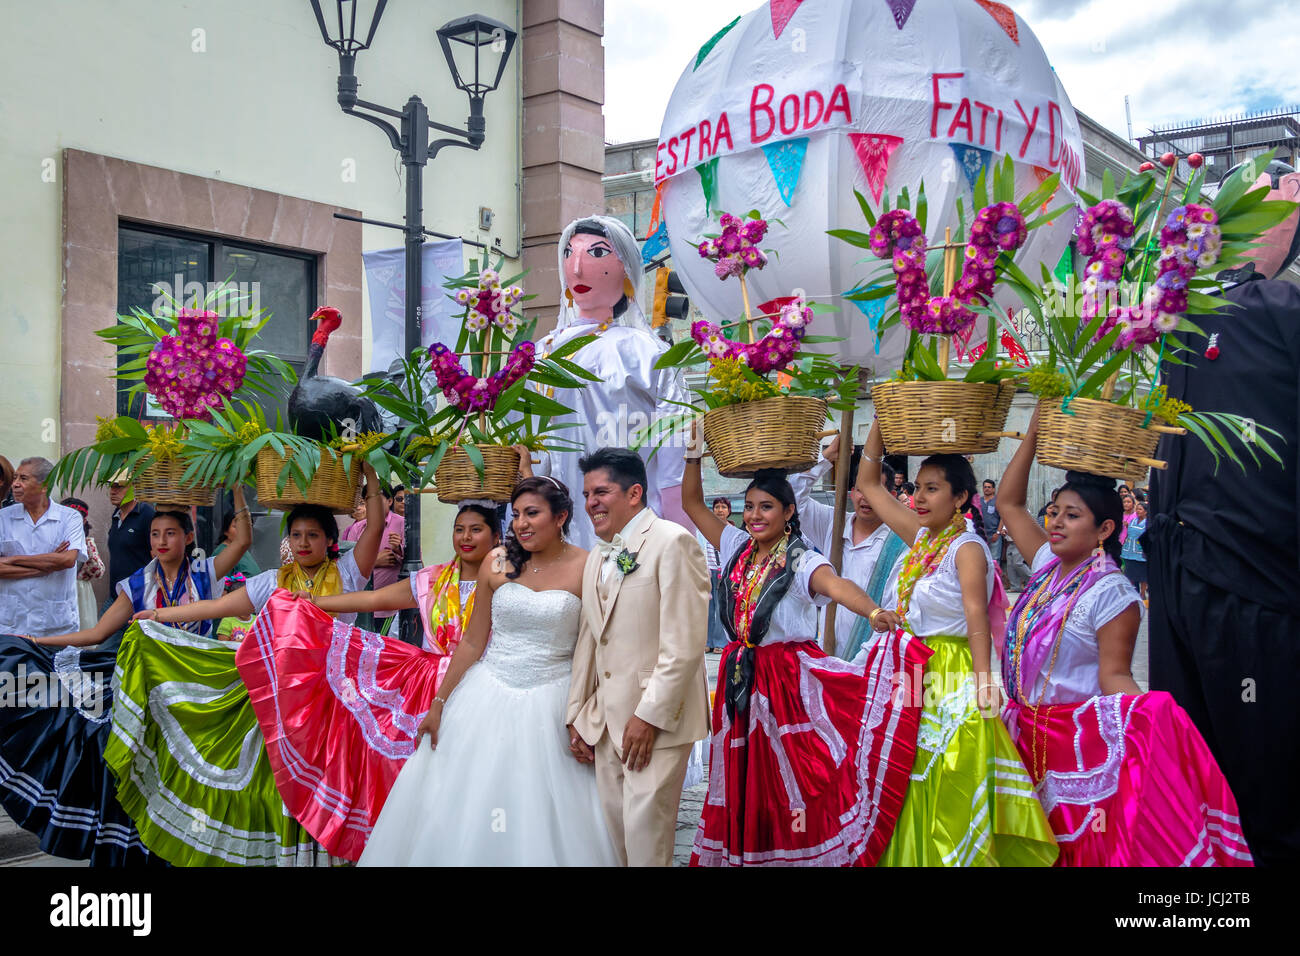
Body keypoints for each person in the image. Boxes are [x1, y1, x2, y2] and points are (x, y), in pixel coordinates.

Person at [996, 408, 1251, 865]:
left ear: (1105, 530)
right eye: (1054, 512)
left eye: (1071, 516)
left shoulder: (1112, 593)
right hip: (1021, 734)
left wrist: (1149, 724)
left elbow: (1114, 676)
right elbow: (1010, 504)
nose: (1054, 522)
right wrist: (1035, 430)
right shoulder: (1047, 567)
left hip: (1075, 742)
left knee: (1075, 848)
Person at [105, 468, 385, 866]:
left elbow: (373, 526)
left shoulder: (349, 574)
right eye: (296, 535)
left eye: (313, 535)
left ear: (331, 542)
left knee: (327, 785)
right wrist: (157, 615)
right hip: (280, 702)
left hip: (333, 703)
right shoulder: (272, 581)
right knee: (277, 786)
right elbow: (217, 606)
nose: (303, 543)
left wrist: (369, 471)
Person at [682, 428, 929, 867]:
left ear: (789, 511)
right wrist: (693, 455)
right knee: (742, 776)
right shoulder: (738, 546)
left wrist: (872, 612)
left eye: (767, 507)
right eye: (751, 507)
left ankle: (792, 855)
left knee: (789, 778)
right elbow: (693, 505)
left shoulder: (800, 559)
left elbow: (837, 586)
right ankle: (746, 852)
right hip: (740, 674)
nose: (756, 516)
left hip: (785, 684)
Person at [1146, 163, 1300, 865]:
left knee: (1264, 789)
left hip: (1253, 586)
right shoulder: (1184, 322)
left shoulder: (1275, 312)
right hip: (1179, 580)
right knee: (1199, 776)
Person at [360, 477, 619, 866]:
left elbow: (598, 649)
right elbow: (472, 642)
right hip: (486, 694)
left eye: (532, 513)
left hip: (554, 700)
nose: (522, 524)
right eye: (516, 515)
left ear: (561, 516)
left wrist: (587, 713)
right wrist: (439, 703)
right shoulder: (496, 562)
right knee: (466, 804)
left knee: (546, 810)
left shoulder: (589, 566)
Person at [240, 500, 502, 861]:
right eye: (460, 529)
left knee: (481, 779)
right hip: (431, 690)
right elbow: (374, 597)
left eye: (476, 529)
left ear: (497, 536)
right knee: (431, 778)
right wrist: (315, 602)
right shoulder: (430, 580)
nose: (466, 537)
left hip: (488, 688)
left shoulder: (508, 582)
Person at [0, 495, 250, 865]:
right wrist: (36, 641)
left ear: (188, 536)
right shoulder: (139, 582)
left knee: (195, 776)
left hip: (197, 690)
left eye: (170, 533)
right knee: (134, 767)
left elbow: (242, 539)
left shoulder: (204, 572)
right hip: (148, 691)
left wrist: (236, 483)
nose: (161, 541)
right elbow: (97, 634)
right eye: (154, 534)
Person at [857, 420, 1057, 866]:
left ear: (961, 498)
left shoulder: (965, 547)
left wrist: (985, 683)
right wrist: (882, 422)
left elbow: (976, 617)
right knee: (907, 774)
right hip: (909, 667)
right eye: (917, 488)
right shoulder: (924, 536)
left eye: (932, 489)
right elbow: (868, 484)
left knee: (951, 771)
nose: (919, 498)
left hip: (951, 669)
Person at [563, 448, 709, 867]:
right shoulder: (596, 556)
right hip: (607, 724)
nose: (591, 502)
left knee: (648, 847)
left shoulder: (672, 541)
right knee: (619, 844)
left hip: (657, 725)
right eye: (587, 493)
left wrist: (648, 717)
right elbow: (590, 644)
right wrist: (577, 714)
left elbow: (684, 645)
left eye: (601, 491)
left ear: (634, 493)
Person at [531, 216, 689, 548]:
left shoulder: (649, 354)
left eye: (597, 254)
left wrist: (676, 532)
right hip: (557, 529)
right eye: (569, 254)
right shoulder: (540, 354)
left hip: (633, 533)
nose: (577, 269)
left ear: (626, 269)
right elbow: (528, 448)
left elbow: (676, 449)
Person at [789, 436, 907, 660]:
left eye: (875, 491)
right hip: (827, 654)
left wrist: (856, 666)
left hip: (870, 659)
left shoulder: (898, 544)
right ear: (852, 492)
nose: (865, 499)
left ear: (890, 497)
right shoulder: (832, 523)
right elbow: (790, 498)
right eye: (861, 490)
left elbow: (895, 609)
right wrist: (826, 458)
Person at [0, 457, 86, 638]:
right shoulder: (3, 518)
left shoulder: (69, 518)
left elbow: (67, 560)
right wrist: (45, 567)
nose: (14, 484)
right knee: (13, 666)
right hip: (12, 625)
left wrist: (13, 559)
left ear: (44, 485)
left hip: (57, 625)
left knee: (56, 667)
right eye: (15, 478)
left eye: (23, 479)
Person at [342, 482, 404, 630]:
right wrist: (374, 561)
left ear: (389, 501)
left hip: (389, 607)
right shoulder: (357, 528)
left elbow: (416, 563)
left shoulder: (402, 524)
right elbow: (348, 568)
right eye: (367, 500)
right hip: (361, 607)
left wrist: (398, 549)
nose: (372, 504)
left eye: (377, 499)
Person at [61, 497, 105, 630]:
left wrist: (87, 546)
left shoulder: (86, 542)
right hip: (59, 588)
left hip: (80, 591)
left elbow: (99, 571)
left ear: (84, 521)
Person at [106, 474, 155, 592]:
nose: (113, 491)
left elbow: (157, 556)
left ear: (134, 487)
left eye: (119, 487)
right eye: (111, 486)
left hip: (139, 594)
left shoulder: (146, 514)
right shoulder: (116, 515)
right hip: (116, 593)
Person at [699, 497, 731, 654]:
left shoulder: (732, 531)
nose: (720, 510)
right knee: (707, 608)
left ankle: (720, 642)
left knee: (720, 609)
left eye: (723, 507)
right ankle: (707, 641)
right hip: (707, 570)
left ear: (729, 511)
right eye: (717, 507)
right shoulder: (706, 528)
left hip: (723, 572)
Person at [213, 509, 260, 579]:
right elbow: (221, 588)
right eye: (236, 527)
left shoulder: (242, 549)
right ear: (226, 531)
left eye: (247, 527)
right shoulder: (223, 552)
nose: (242, 531)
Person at [1121, 499, 1148, 601]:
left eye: (1140, 509)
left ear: (1146, 511)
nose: (1138, 511)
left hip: (1141, 551)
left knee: (1143, 575)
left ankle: (1142, 593)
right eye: (1137, 509)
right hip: (1129, 550)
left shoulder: (1148, 522)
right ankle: (1132, 592)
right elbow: (1128, 533)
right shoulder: (1132, 520)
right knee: (1130, 573)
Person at [976, 479, 1005, 566]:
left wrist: (998, 532)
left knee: (994, 560)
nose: (987, 489)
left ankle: (995, 579)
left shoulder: (998, 501)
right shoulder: (979, 501)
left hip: (994, 535)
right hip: (981, 535)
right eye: (985, 487)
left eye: (989, 487)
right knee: (982, 560)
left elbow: (1003, 518)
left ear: (993, 489)